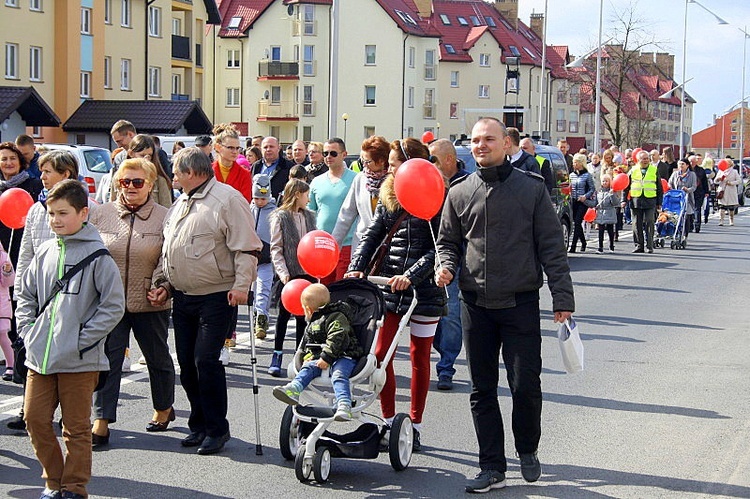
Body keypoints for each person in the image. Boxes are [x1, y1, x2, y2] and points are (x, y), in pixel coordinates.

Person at [435, 118, 574, 492]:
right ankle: (492, 466)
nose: (481, 145)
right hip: (475, 304)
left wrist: (562, 298)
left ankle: (527, 448)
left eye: (489, 139)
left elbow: (552, 247)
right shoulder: (459, 191)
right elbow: (447, 241)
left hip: (520, 303)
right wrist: (445, 265)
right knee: (482, 389)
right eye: (476, 140)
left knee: (525, 385)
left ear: (505, 143)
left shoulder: (531, 189)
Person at [17, 179, 125, 499]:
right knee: (34, 420)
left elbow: (113, 306)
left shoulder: (98, 256)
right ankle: (53, 480)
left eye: (63, 213)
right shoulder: (47, 250)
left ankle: (74, 487)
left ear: (83, 212)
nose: (56, 220)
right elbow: (26, 294)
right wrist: (28, 331)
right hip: (41, 356)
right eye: (51, 213)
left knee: (76, 429)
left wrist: (82, 340)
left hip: (80, 359)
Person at [152, 147, 261, 455]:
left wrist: (242, 286)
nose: (172, 175)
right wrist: (165, 285)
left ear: (192, 173)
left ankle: (217, 429)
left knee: (206, 361)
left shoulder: (227, 200)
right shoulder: (180, 203)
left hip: (217, 295)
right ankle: (198, 425)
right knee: (186, 364)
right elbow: (169, 251)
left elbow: (248, 248)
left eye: (175, 170)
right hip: (184, 296)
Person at [345, 137, 447, 452]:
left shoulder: (437, 195)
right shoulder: (390, 193)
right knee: (380, 355)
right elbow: (372, 233)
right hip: (389, 285)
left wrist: (412, 275)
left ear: (413, 163)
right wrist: (356, 266)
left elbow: (439, 247)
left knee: (419, 356)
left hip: (424, 289)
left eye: (393, 164)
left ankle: (414, 424)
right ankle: (389, 420)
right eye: (388, 164)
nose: (389, 169)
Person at [88, 158, 176, 447]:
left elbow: (169, 257)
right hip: (110, 301)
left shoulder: (166, 215)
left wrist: (163, 284)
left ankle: (163, 407)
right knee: (108, 360)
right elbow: (91, 254)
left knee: (157, 358)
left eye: (137, 182)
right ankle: (101, 419)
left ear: (150, 185)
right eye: (125, 182)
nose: (131, 187)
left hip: (150, 300)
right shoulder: (100, 214)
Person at [272, 283, 363, 421]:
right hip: (322, 357)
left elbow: (337, 337)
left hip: (344, 355)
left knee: (339, 375)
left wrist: (326, 357)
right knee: (308, 367)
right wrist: (309, 356)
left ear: (308, 309)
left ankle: (344, 404)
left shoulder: (336, 317)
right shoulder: (314, 321)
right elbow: (311, 343)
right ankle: (294, 389)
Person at [428, 139, 467, 390]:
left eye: (434, 159)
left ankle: (446, 366)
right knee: (436, 312)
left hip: (463, 255)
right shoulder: (428, 182)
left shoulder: (469, 183)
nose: (429, 164)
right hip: (435, 254)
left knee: (452, 311)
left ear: (449, 160)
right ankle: (441, 348)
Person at [268, 179, 317, 376]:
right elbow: (276, 248)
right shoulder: (280, 217)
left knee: (303, 318)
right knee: (283, 315)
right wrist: (283, 273)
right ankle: (277, 353)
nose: (308, 198)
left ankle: (300, 356)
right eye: (306, 194)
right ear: (297, 194)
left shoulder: (310, 216)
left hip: (308, 273)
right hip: (289, 274)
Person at [308, 137, 358, 285]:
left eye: (333, 153)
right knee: (322, 288)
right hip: (323, 245)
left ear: (344, 154)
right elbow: (311, 212)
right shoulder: (316, 181)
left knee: (341, 288)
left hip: (347, 244)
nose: (328, 157)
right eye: (325, 153)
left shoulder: (356, 179)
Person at [332, 135, 390, 252]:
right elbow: (346, 214)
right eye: (362, 160)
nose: (364, 165)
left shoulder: (393, 180)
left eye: (367, 161)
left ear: (382, 161)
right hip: (362, 246)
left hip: (387, 247)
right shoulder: (360, 179)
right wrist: (335, 243)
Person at [250, 174, 276, 340]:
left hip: (267, 259)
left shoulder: (274, 212)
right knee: (253, 289)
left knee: (264, 288)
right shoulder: (248, 208)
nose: (260, 201)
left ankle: (261, 316)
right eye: (257, 198)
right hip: (251, 257)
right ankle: (257, 314)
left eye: (263, 198)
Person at [623, 150, 663, 253]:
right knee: (636, 224)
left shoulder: (654, 170)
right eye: (643, 159)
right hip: (636, 200)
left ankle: (649, 245)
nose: (645, 161)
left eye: (646, 159)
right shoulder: (633, 170)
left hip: (650, 200)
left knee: (650, 222)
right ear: (638, 160)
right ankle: (639, 246)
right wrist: (623, 200)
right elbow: (626, 186)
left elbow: (659, 187)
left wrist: (659, 203)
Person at [125, 134, 173, 207]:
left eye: (149, 155)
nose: (146, 159)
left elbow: (166, 208)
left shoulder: (159, 180)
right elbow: (113, 206)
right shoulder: (120, 178)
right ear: (131, 154)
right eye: (142, 155)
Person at [212, 123, 252, 203]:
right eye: (230, 148)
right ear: (218, 147)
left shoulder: (244, 174)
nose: (235, 152)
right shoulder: (207, 172)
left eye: (237, 148)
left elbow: (245, 203)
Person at [568, 153, 596, 253]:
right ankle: (583, 242)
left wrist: (585, 196)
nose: (574, 164)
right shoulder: (571, 175)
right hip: (573, 201)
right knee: (576, 222)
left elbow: (592, 189)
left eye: (576, 162)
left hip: (583, 202)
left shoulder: (587, 175)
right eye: (573, 162)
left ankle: (573, 246)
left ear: (581, 163)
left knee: (578, 221)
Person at [251, 136, 293, 202]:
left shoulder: (288, 167)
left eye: (271, 147)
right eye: (265, 147)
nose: (268, 149)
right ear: (261, 149)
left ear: (278, 148)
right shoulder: (256, 166)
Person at [668, 159, 696, 234]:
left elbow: (694, 187)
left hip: (687, 197)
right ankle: (675, 231)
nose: (681, 166)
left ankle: (685, 233)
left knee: (686, 216)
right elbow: (670, 183)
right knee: (675, 215)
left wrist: (687, 189)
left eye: (682, 164)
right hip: (676, 197)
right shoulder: (675, 174)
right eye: (679, 164)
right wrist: (671, 189)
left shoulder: (692, 174)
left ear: (687, 165)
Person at [594, 174, 619, 254]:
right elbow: (595, 202)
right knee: (600, 230)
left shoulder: (612, 191)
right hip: (601, 213)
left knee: (610, 230)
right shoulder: (598, 192)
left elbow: (615, 203)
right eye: (603, 181)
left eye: (606, 181)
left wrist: (612, 195)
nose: (604, 183)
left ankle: (611, 245)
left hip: (609, 212)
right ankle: (600, 247)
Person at [0, 242, 14, 381]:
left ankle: (11, 365)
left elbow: (9, 282)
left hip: (1, 303)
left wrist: (7, 271)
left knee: (2, 335)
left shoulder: (3, 256)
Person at [688, 155, 708, 233]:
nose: (691, 163)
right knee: (689, 209)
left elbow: (704, 181)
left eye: (693, 161)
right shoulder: (686, 170)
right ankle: (689, 226)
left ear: (696, 162)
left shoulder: (701, 170)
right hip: (689, 192)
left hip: (699, 192)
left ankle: (697, 225)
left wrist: (706, 192)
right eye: (690, 161)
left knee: (697, 209)